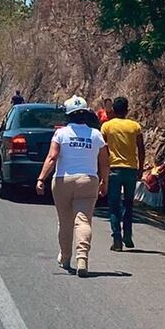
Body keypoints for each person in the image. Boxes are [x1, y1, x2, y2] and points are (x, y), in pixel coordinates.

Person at [36, 96, 108, 277]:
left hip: (63, 181)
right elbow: (105, 162)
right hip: (88, 180)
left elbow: (52, 158)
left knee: (65, 221)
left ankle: (66, 257)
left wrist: (41, 178)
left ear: (67, 115)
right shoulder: (96, 135)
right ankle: (82, 257)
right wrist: (104, 181)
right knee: (83, 220)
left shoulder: (60, 134)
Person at [100, 96, 144, 251]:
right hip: (131, 170)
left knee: (113, 205)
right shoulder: (135, 126)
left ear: (113, 110)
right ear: (127, 110)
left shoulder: (106, 126)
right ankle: (128, 235)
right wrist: (141, 168)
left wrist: (101, 170)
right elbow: (141, 148)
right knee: (129, 204)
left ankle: (117, 238)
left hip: (113, 169)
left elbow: (102, 149)